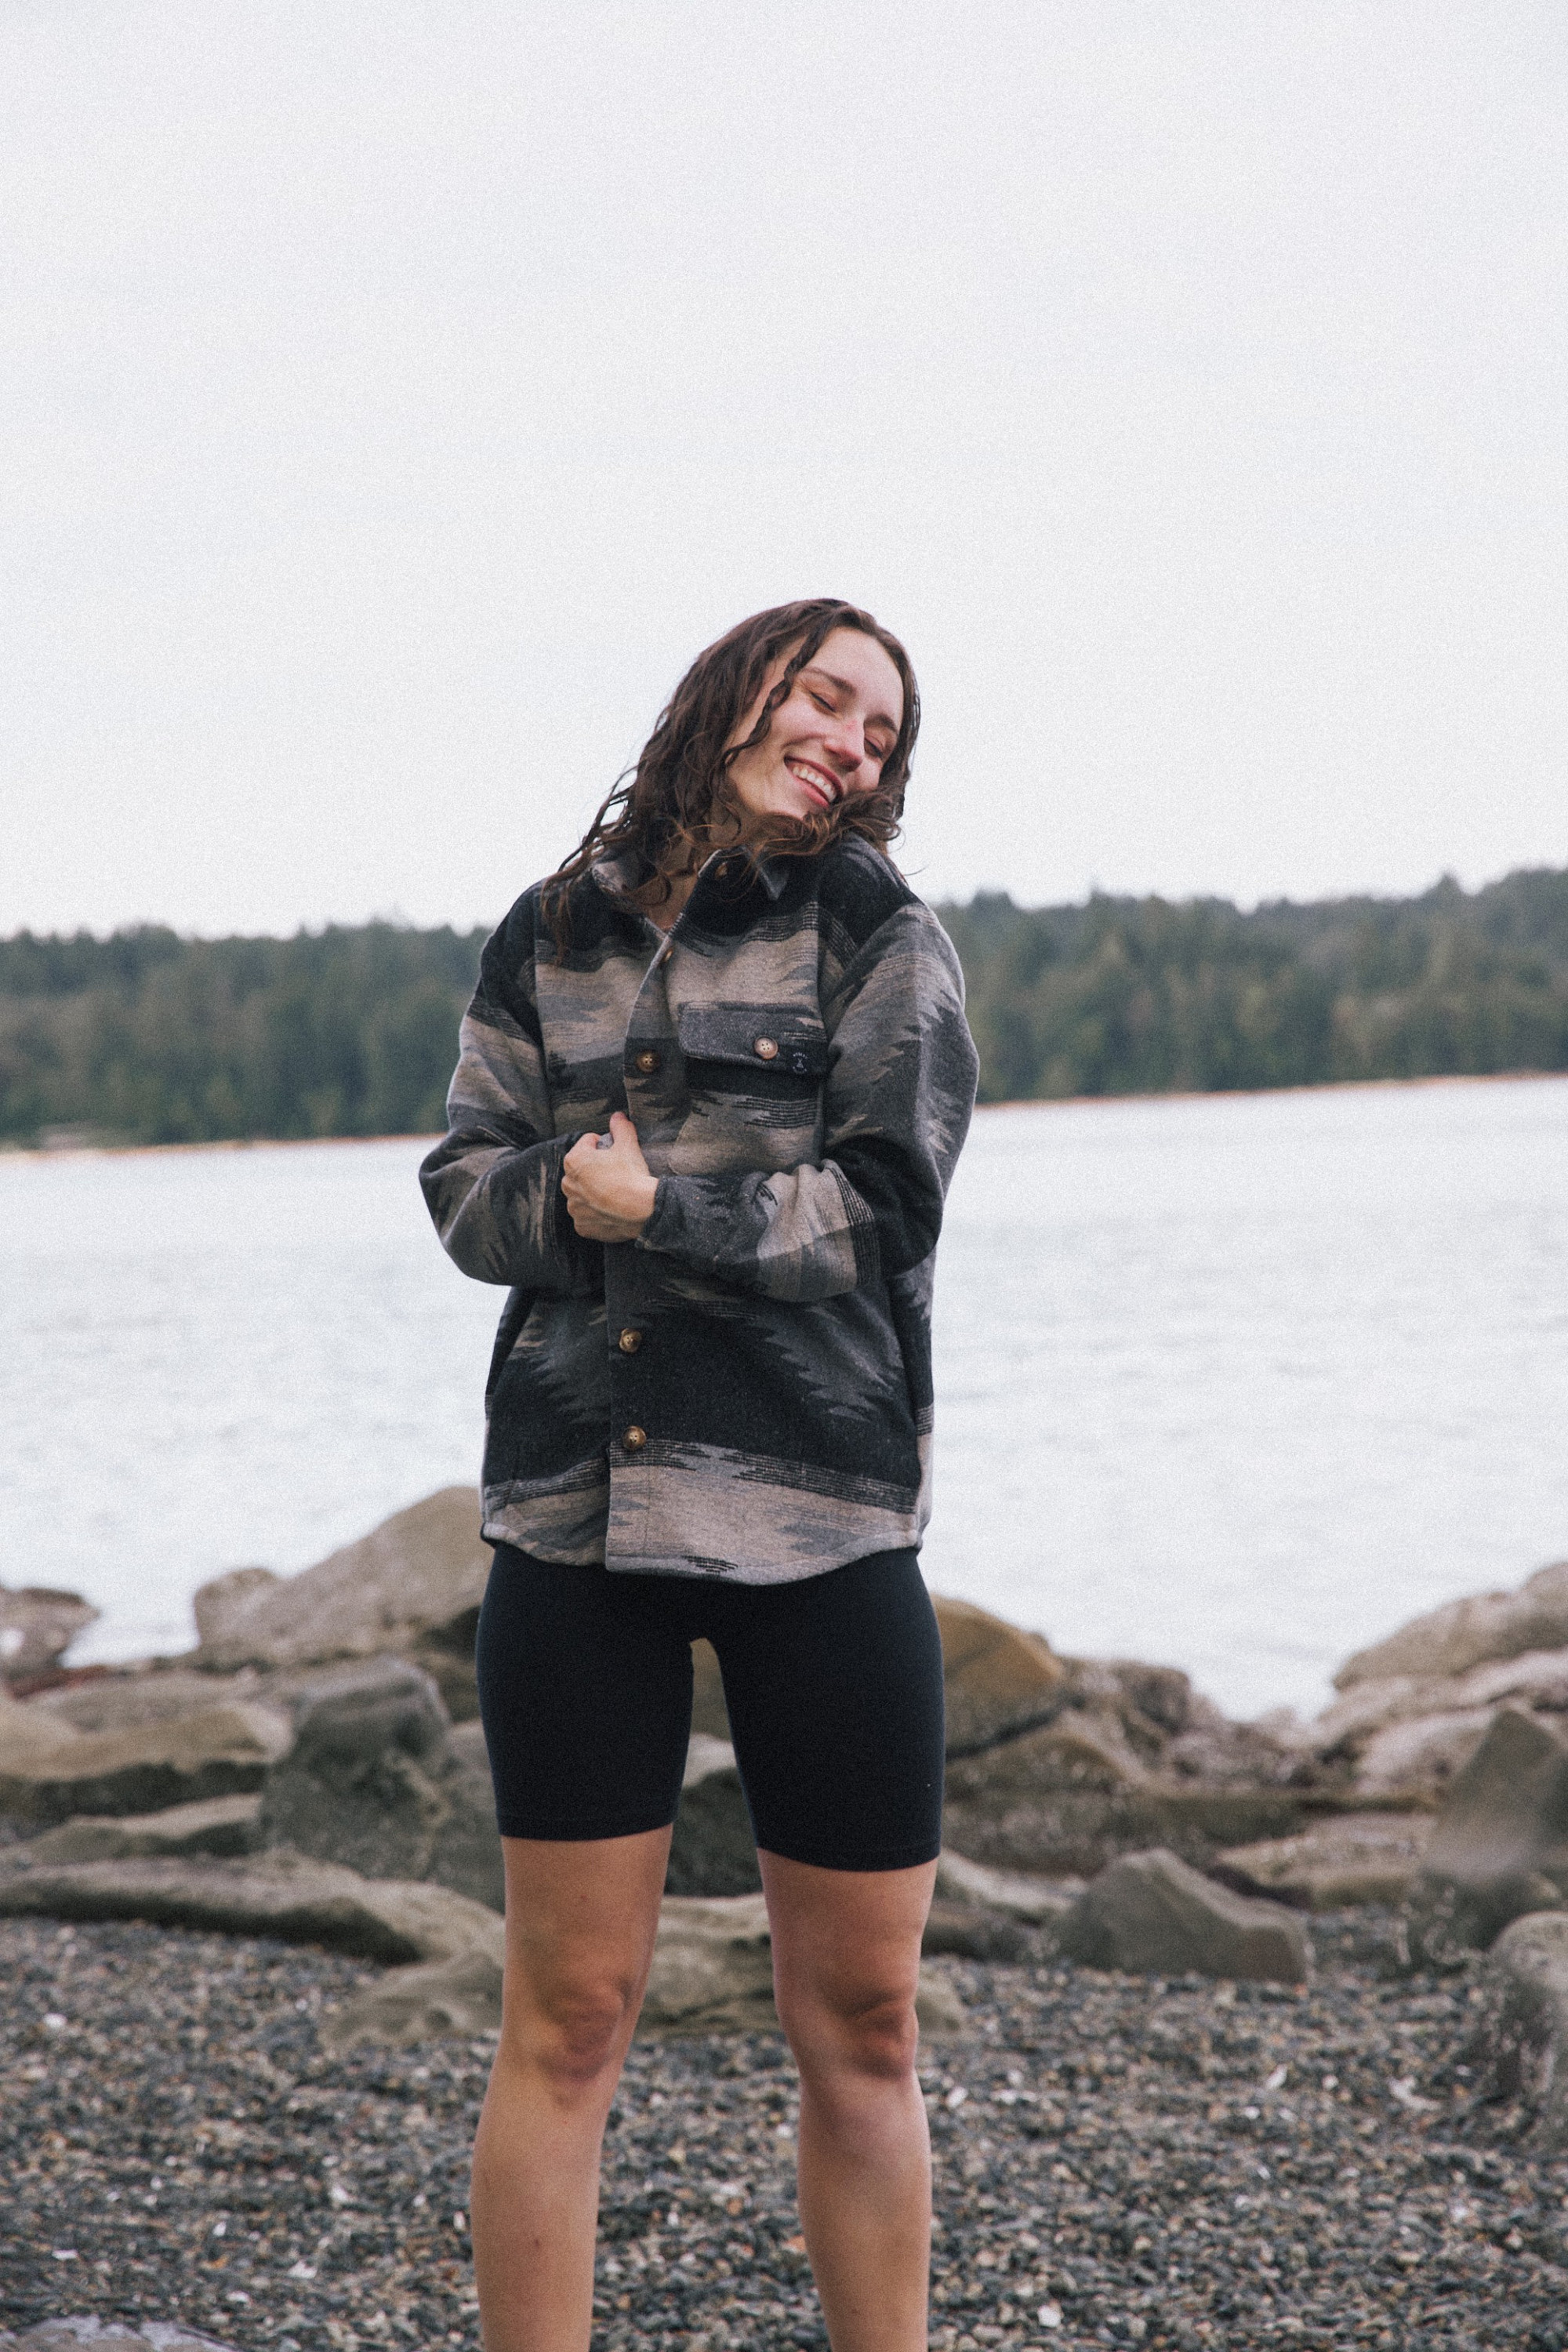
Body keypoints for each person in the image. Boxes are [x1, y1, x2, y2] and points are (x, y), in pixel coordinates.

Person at [420, 597, 979, 2352]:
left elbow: (886, 1208)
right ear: (737, 692)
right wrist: (568, 1202)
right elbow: (466, 1191)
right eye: (826, 696)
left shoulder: (879, 936)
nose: (851, 743)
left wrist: (664, 1210)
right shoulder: (549, 934)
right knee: (567, 2019)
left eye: (881, 732)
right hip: (574, 1523)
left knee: (866, 2025)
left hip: (825, 1517)